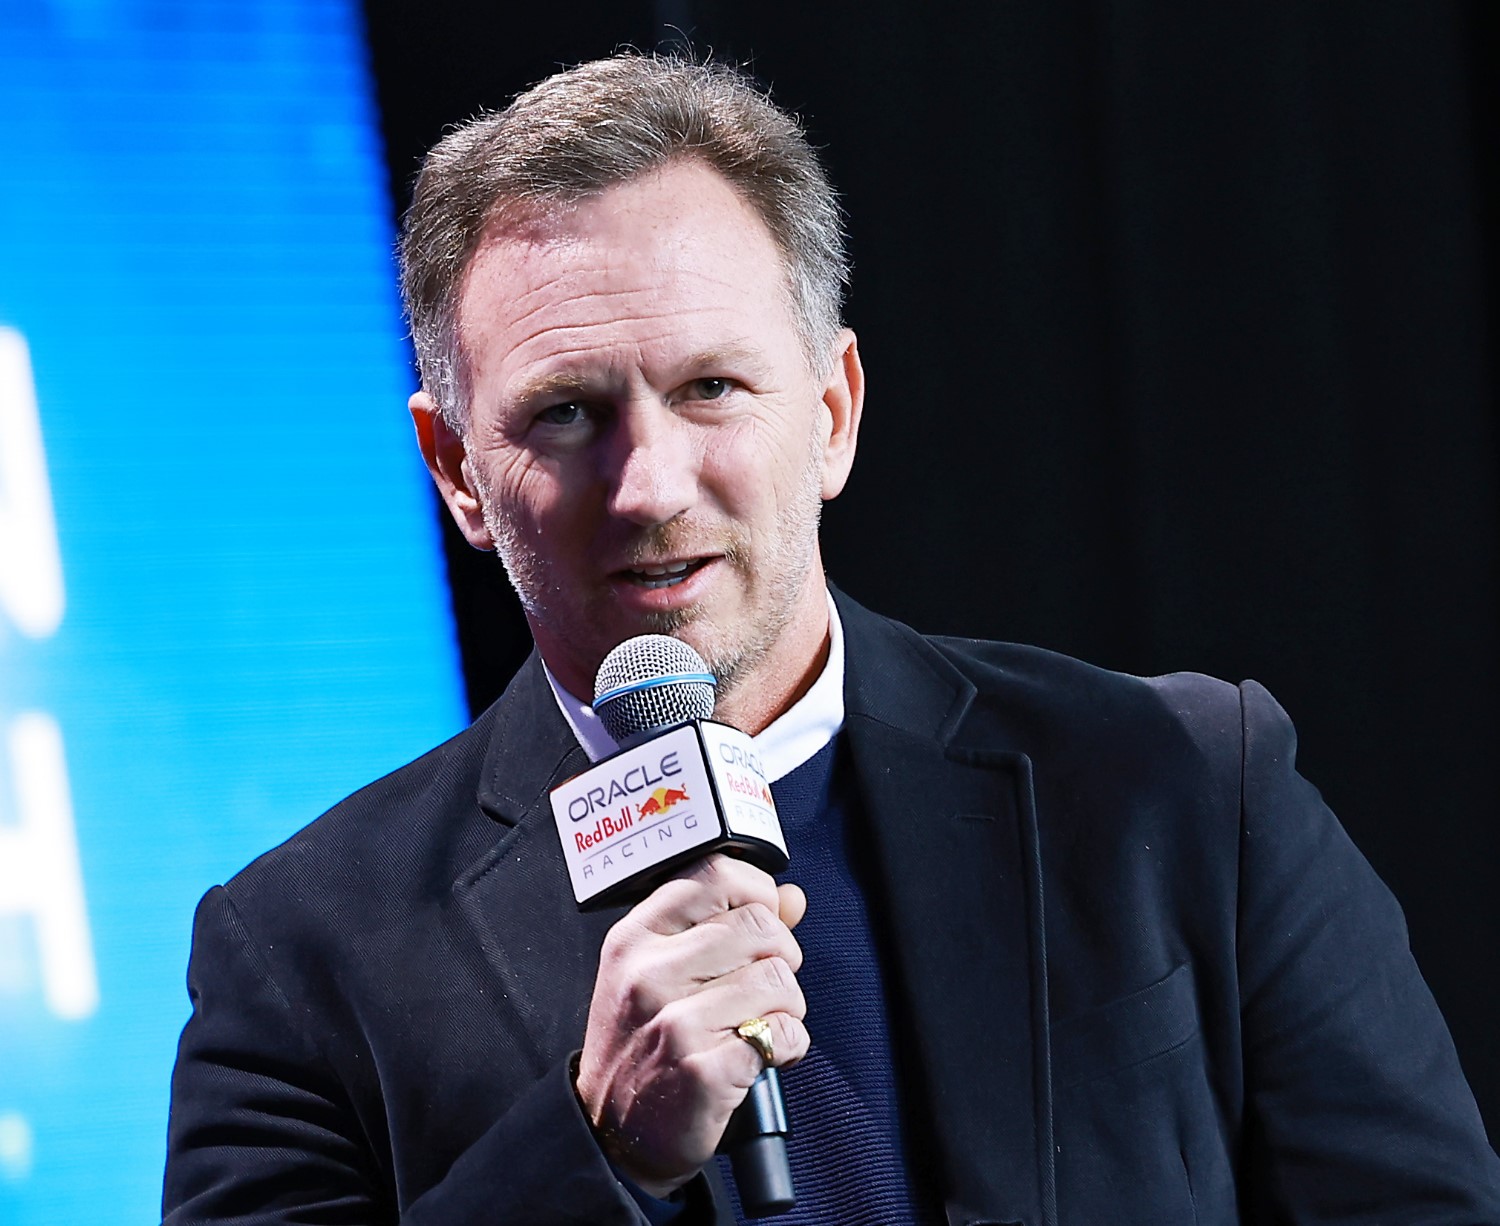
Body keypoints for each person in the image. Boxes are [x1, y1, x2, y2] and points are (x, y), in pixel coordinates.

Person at [162, 54, 1500, 1225]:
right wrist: (599, 1155)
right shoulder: (295, 958)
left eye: (711, 388)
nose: (651, 485)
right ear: (454, 468)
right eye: (567, 413)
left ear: (835, 409)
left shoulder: (1188, 787)